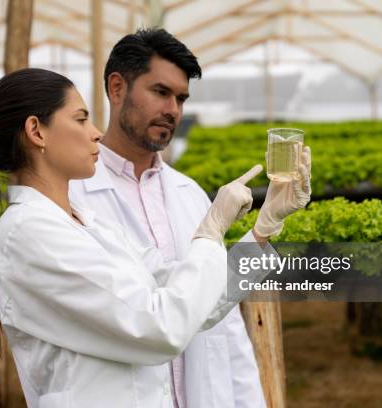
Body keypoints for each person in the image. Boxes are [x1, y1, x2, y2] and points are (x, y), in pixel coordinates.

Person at [0, 68, 311, 407]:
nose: (95, 132)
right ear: (37, 131)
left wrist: (264, 228)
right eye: (81, 119)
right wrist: (211, 230)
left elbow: (191, 299)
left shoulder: (90, 225)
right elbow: (160, 326)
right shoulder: (29, 234)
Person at [71, 28, 311, 408]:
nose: (173, 110)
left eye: (181, 98)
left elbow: (224, 321)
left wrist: (263, 231)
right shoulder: (74, 196)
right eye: (161, 92)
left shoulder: (189, 194)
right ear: (117, 88)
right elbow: (148, 315)